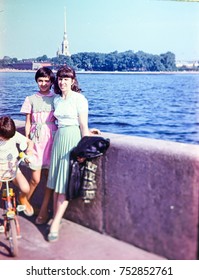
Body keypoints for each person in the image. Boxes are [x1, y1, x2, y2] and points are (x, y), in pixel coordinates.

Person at [46, 65, 91, 242]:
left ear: (73, 81)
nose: (62, 81)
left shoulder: (80, 99)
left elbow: (83, 126)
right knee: (56, 181)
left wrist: (83, 149)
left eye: (66, 78)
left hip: (72, 139)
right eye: (60, 78)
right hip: (59, 139)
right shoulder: (57, 100)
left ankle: (55, 223)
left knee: (64, 182)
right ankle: (56, 217)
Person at [20, 67, 57, 224]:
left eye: (46, 81)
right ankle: (23, 203)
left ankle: (43, 211)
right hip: (36, 140)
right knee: (35, 178)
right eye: (40, 80)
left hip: (52, 139)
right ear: (36, 81)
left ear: (51, 81)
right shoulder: (30, 99)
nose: (43, 84)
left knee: (50, 179)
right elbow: (28, 123)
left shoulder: (56, 98)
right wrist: (28, 142)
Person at [0, 116, 34, 219]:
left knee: (26, 188)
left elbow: (29, 142)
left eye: (9, 138)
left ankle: (22, 198)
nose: (6, 140)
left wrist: (29, 151)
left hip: (13, 168)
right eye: (4, 137)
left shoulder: (13, 135)